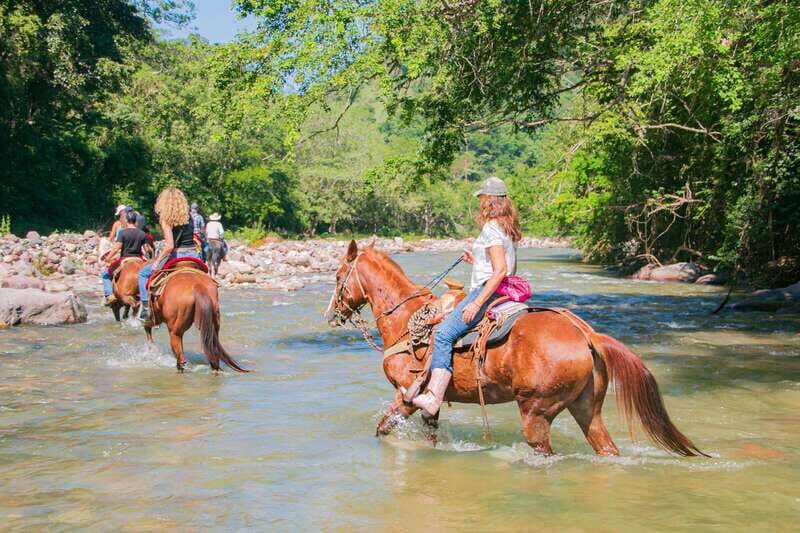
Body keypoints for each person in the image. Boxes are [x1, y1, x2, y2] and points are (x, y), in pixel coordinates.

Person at [409, 176, 521, 417]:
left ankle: (433, 397)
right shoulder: (506, 227)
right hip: (502, 289)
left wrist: (478, 302)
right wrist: (476, 259)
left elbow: (500, 270)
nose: (480, 202)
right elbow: (501, 265)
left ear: (490, 200)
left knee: (443, 333)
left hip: (487, 290)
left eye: (482, 197)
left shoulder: (491, 228)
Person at [137, 188, 202, 324]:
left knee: (143, 273)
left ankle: (145, 309)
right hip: (194, 256)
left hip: (176, 255)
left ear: (163, 203)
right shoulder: (190, 217)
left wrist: (157, 261)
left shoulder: (165, 219)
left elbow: (170, 246)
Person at [100, 209, 148, 306]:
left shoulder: (123, 233)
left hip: (125, 258)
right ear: (136, 221)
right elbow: (147, 250)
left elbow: (117, 247)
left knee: (105, 272)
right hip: (139, 259)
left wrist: (108, 258)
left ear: (126, 221)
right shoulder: (142, 234)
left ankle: (109, 295)